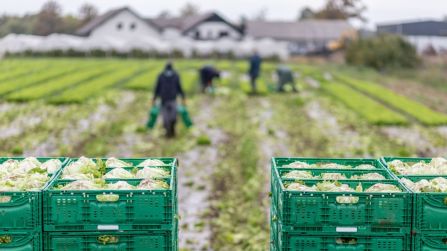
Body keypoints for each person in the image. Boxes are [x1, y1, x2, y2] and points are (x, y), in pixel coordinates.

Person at [153, 62, 186, 138]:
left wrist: (183, 97)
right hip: (163, 100)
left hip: (173, 99)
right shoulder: (161, 76)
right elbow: (157, 88)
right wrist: (154, 98)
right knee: (166, 118)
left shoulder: (176, 76)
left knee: (173, 117)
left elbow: (179, 87)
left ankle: (172, 131)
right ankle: (168, 133)